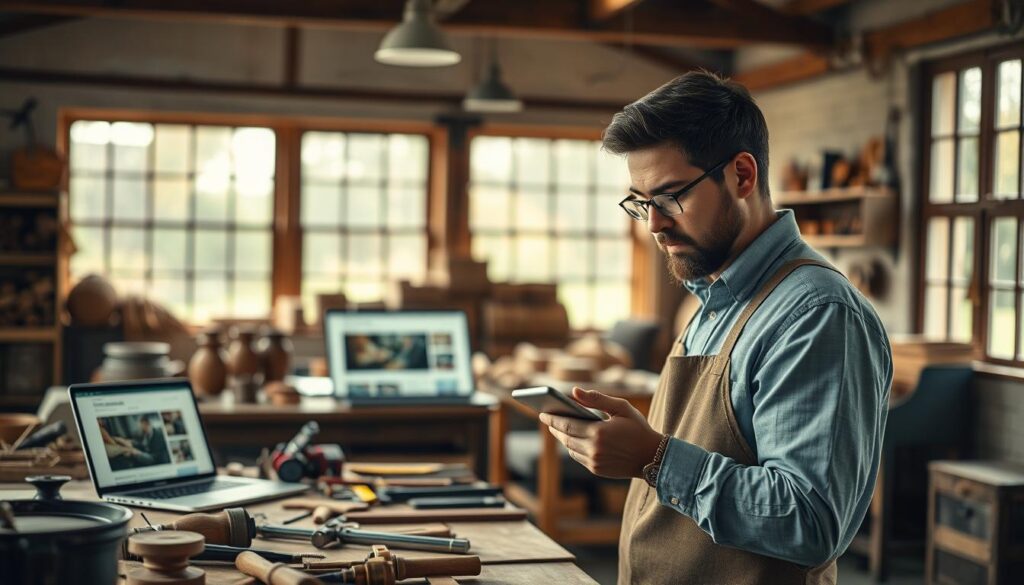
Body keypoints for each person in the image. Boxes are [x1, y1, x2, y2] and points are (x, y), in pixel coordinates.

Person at [539, 71, 891, 584]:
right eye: (641, 203)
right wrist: (643, 448)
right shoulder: (714, 296)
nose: (654, 224)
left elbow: (809, 523)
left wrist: (655, 458)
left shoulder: (816, 315)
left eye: (669, 197)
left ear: (742, 176)